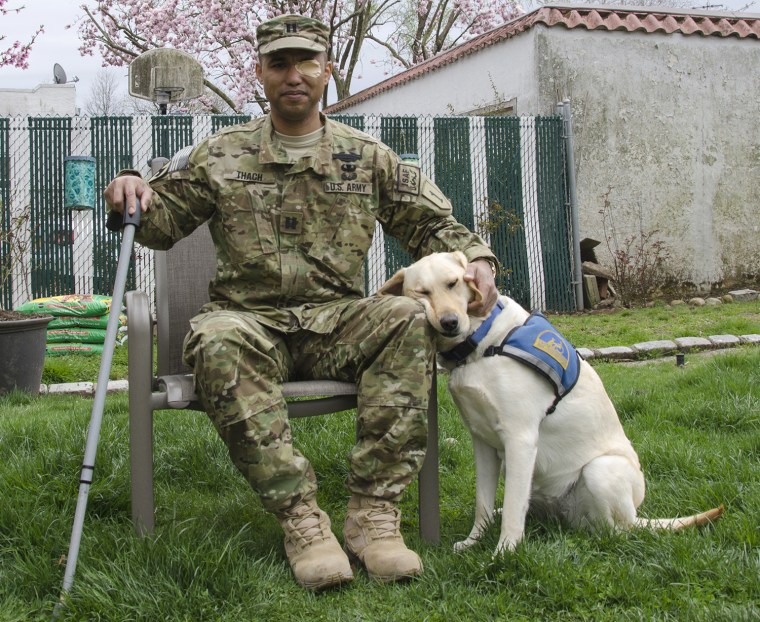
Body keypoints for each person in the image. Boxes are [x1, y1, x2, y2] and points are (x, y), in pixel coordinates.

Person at [105, 14, 498, 591]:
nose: (295, 75)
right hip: (251, 324)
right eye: (280, 63)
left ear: (326, 69)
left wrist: (478, 259)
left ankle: (372, 518)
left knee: (404, 318)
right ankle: (304, 524)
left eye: (307, 61)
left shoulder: (367, 157)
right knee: (214, 338)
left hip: (338, 323)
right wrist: (129, 190)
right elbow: (160, 223)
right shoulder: (222, 154)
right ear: (260, 72)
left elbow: (433, 224)